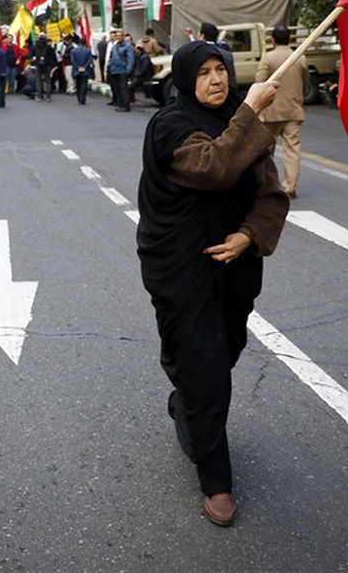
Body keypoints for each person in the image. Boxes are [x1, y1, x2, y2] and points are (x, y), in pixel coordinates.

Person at [136, 41, 287, 528]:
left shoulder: (245, 127)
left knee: (224, 353)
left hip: (233, 271)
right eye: (203, 73)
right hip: (182, 269)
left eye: (221, 69)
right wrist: (251, 110)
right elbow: (216, 167)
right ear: (184, 80)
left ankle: (185, 401)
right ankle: (215, 477)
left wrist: (248, 235)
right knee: (206, 371)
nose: (216, 80)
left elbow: (269, 193)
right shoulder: (170, 126)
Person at [255, 25, 309, 197]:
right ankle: (290, 187)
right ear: (289, 39)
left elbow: (259, 81)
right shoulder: (300, 57)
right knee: (292, 150)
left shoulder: (268, 58)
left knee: (266, 150)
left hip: (271, 111)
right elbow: (306, 83)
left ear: (273, 40)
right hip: (293, 110)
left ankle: (267, 184)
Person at [200, 22, 236, 89]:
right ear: (217, 38)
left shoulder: (197, 54)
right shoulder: (227, 54)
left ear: (202, 36)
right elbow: (231, 81)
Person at [107, 28, 134, 111]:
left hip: (123, 71)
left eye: (120, 36)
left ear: (123, 37)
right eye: (117, 36)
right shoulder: (115, 46)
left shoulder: (127, 46)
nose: (118, 38)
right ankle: (120, 104)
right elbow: (111, 57)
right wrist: (109, 66)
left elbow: (131, 59)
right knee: (117, 88)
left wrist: (128, 70)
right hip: (114, 70)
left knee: (123, 89)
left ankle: (126, 106)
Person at [30, 34, 58, 102]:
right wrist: (53, 65)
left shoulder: (35, 46)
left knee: (39, 81)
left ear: (39, 38)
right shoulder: (48, 46)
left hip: (38, 65)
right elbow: (53, 56)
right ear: (45, 38)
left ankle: (39, 96)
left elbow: (31, 55)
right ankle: (48, 97)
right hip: (47, 65)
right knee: (48, 81)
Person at [69, 36, 93, 105]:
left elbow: (73, 60)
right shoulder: (88, 50)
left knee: (78, 84)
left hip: (77, 70)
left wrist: (78, 68)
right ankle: (83, 98)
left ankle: (79, 98)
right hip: (85, 70)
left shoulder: (74, 51)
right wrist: (84, 67)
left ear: (79, 43)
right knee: (84, 84)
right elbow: (89, 60)